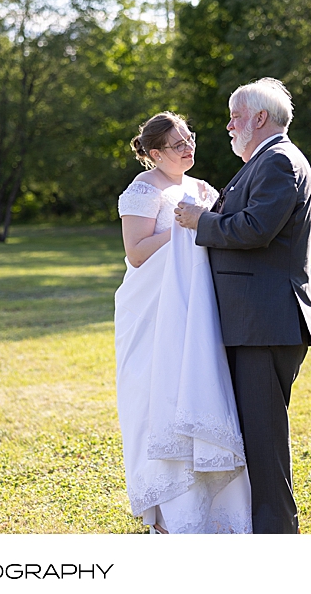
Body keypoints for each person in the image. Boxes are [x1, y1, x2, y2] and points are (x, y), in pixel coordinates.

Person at [175, 78, 311, 534]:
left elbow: (255, 229)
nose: (229, 125)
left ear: (260, 118)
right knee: (255, 437)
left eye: (235, 116)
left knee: (264, 440)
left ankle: (277, 538)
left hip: (265, 324)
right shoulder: (264, 161)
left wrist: (202, 221)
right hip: (255, 322)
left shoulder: (277, 161)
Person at [114, 111, 252, 534]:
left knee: (201, 389)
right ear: (155, 153)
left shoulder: (202, 188)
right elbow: (137, 252)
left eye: (189, 137)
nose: (188, 147)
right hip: (154, 312)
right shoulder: (141, 190)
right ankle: (169, 512)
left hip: (195, 308)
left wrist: (203, 222)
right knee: (157, 396)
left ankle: (215, 510)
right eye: (177, 144)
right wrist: (186, 226)